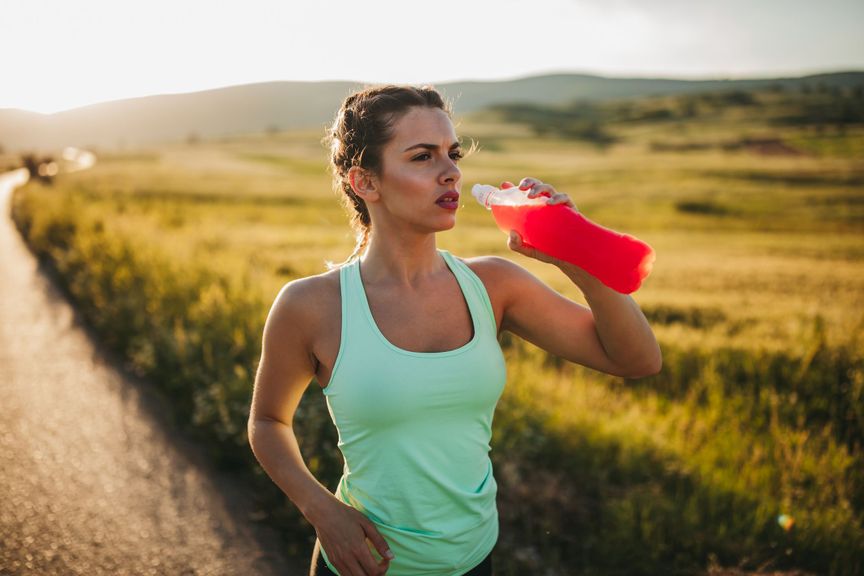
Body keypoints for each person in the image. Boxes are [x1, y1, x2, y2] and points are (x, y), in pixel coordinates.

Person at [247, 85, 662, 576]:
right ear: (365, 181)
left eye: (453, 153)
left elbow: (636, 360)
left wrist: (575, 250)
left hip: (474, 559)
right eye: (422, 157)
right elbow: (268, 423)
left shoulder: (493, 284)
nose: (452, 173)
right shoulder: (311, 305)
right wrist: (323, 512)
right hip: (364, 564)